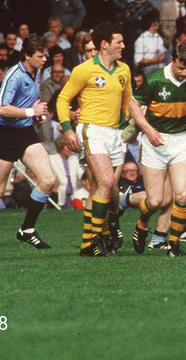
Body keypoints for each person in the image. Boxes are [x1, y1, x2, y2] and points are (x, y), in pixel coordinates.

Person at [128, 42, 186, 257]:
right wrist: (149, 130)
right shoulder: (155, 79)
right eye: (180, 68)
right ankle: (142, 222)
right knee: (155, 201)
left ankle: (174, 244)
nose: (184, 73)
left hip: (181, 140)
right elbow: (133, 105)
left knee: (183, 195)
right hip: (155, 142)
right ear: (172, 60)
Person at [0, 34, 57, 254]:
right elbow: (0, 109)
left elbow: (26, 103)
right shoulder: (13, 75)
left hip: (25, 132)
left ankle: (27, 229)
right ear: (27, 55)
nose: (44, 59)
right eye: (40, 56)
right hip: (6, 134)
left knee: (48, 180)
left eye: (45, 55)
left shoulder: (36, 71)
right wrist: (31, 112)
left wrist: (36, 115)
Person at [56, 22, 133, 256]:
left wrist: (133, 124)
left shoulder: (124, 70)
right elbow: (63, 99)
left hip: (115, 134)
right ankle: (93, 242)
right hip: (92, 130)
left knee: (109, 190)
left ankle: (103, 234)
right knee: (106, 182)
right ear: (105, 44)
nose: (123, 45)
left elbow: (128, 103)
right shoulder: (84, 70)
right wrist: (67, 129)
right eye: (119, 42)